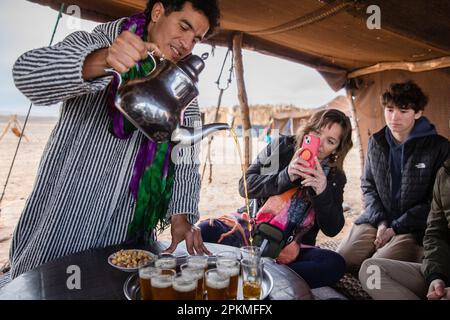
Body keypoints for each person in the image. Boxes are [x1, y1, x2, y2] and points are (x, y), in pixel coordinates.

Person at [0, 0, 220, 286]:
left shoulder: (183, 96)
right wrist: (103, 60)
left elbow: (186, 161)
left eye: (196, 39)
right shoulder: (101, 42)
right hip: (61, 226)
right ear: (157, 12)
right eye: (184, 26)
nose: (187, 43)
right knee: (43, 288)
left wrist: (181, 217)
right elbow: (27, 74)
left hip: (128, 237)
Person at [200, 109, 353, 288]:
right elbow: (246, 185)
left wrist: (322, 191)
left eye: (330, 141)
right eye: (317, 133)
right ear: (308, 129)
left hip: (292, 247)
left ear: (337, 149)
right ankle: (269, 276)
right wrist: (286, 176)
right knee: (203, 231)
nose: (319, 144)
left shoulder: (335, 178)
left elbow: (333, 229)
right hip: (251, 231)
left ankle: (256, 272)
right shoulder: (282, 147)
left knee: (334, 265)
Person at [337, 81, 450, 274]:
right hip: (378, 219)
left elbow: (435, 202)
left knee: (374, 270)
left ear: (418, 113)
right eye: (389, 110)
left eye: (403, 111)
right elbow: (368, 186)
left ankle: (412, 258)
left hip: (413, 228)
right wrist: (381, 223)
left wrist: (395, 228)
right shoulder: (376, 142)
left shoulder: (439, 147)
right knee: (342, 260)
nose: (394, 117)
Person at [359, 159, 450, 300]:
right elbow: (436, 232)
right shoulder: (445, 174)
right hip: (444, 271)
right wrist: (435, 276)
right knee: (371, 270)